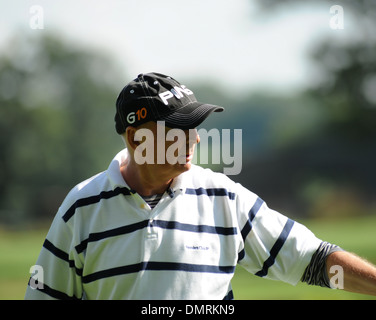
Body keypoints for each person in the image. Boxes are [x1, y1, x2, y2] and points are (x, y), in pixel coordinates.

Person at [25, 72, 376, 300]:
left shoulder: (223, 196)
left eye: (194, 126)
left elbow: (311, 259)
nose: (193, 138)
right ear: (135, 137)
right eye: (178, 128)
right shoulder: (81, 207)